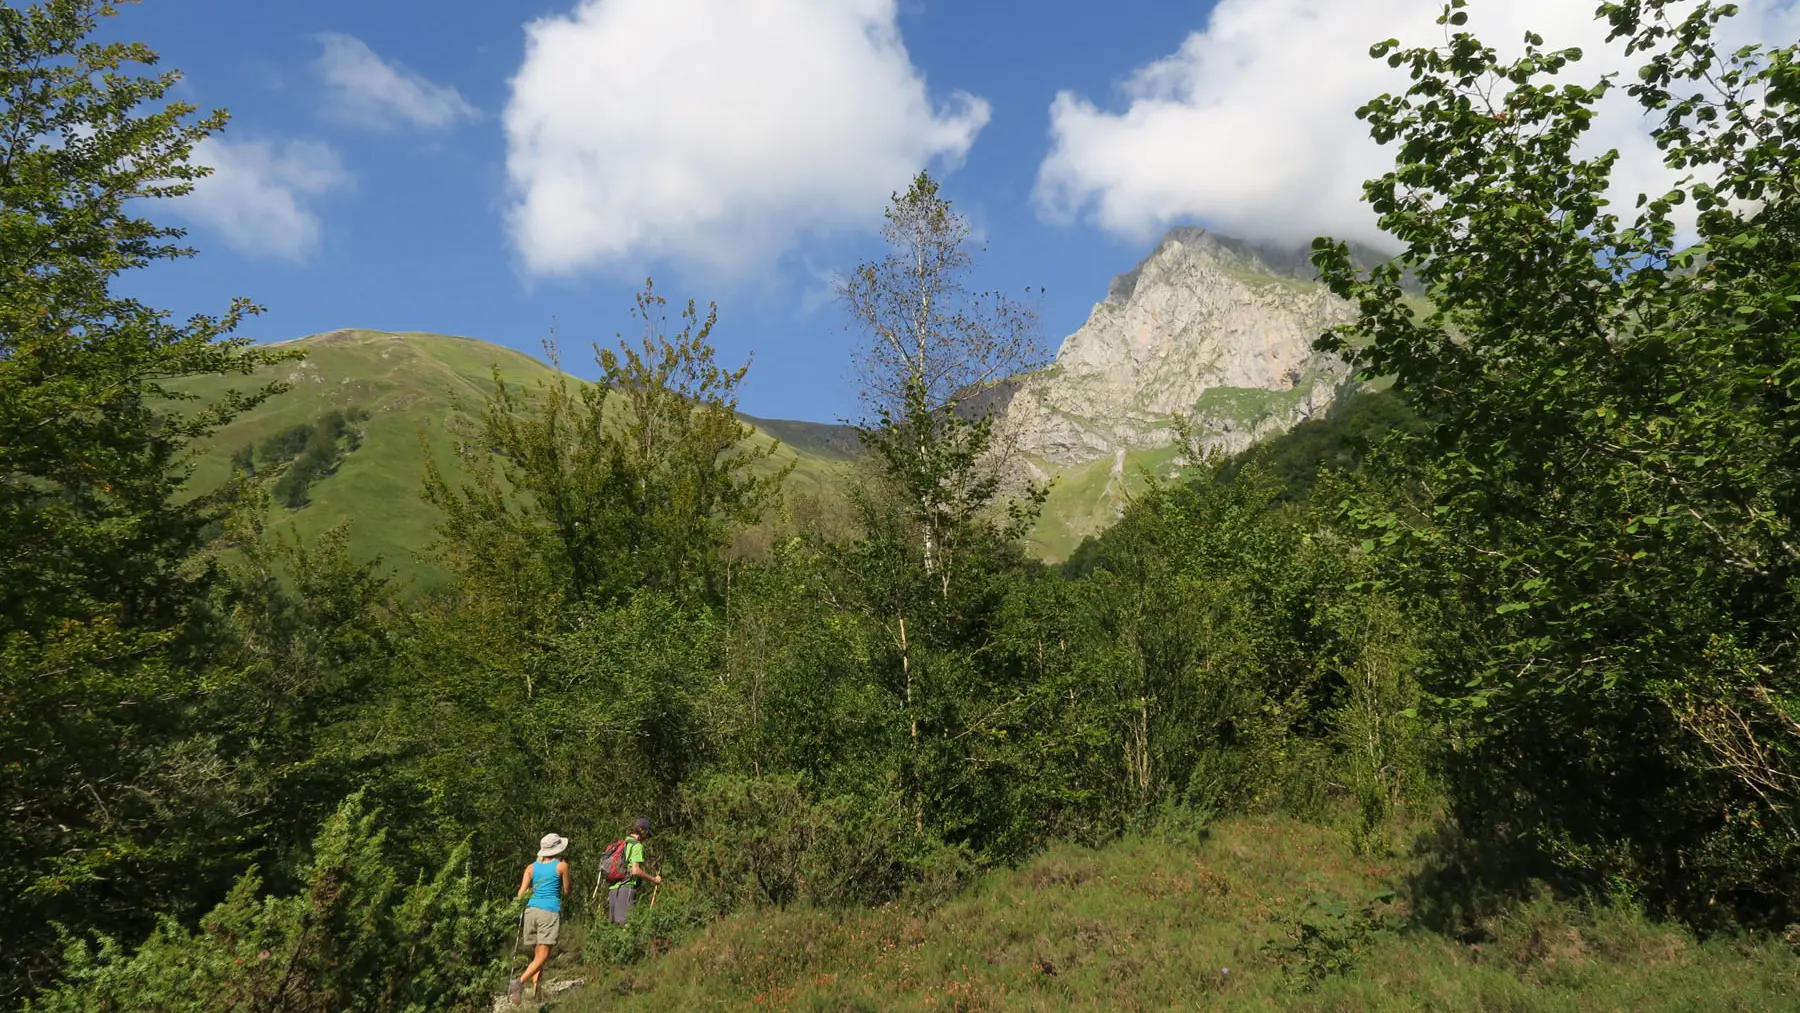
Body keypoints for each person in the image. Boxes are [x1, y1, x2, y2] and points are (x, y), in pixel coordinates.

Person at [509, 832, 570, 1005]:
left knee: (537, 953)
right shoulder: (561, 866)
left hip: (531, 911)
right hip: (548, 911)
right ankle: (519, 983)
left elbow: (521, 893)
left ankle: (537, 992)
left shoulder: (530, 867)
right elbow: (567, 891)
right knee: (543, 955)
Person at [607, 817, 662, 925]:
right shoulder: (637, 846)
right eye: (647, 834)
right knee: (627, 926)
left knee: (615, 928)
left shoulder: (622, 843)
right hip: (626, 889)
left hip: (613, 889)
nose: (646, 838)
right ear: (642, 831)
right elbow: (635, 871)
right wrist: (654, 879)